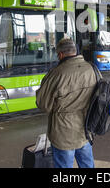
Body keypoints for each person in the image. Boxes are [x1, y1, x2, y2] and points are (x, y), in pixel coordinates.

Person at [36, 38, 98, 168]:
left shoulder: (56, 74)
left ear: (60, 55)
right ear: (75, 51)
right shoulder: (92, 69)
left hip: (63, 133)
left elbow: (43, 104)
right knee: (87, 165)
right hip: (86, 130)